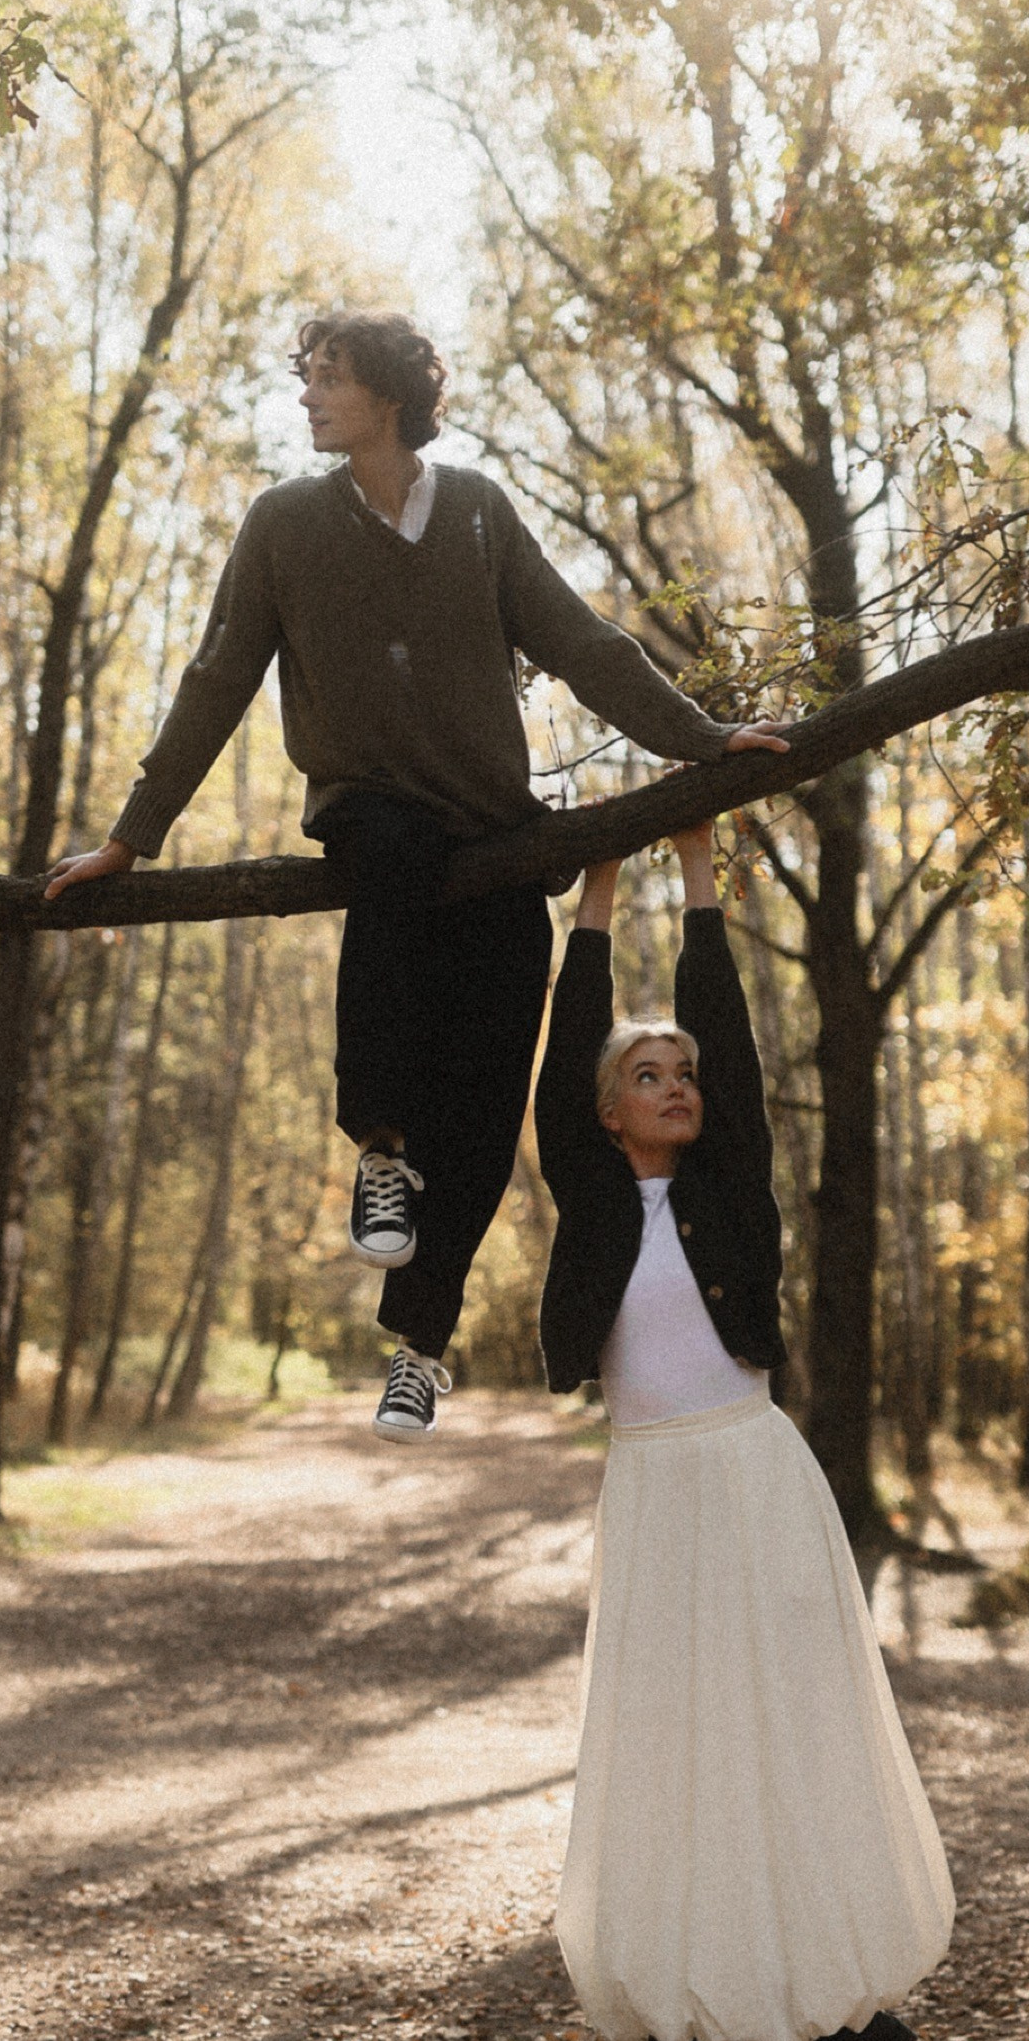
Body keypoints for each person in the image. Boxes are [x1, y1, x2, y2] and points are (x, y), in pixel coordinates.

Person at [47, 309, 786, 1439]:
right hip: (376, 819)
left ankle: (422, 1342)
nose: (307, 398)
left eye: (327, 379)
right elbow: (214, 681)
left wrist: (700, 740)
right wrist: (129, 839)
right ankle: (380, 1148)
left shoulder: (480, 513)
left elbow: (583, 642)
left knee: (489, 1107)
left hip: (496, 840)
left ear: (388, 393)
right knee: (386, 877)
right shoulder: (283, 524)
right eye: (306, 378)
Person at [533, 820, 955, 2041]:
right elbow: (557, 1070)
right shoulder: (594, 1200)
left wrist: (703, 879)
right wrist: (597, 888)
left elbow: (734, 1045)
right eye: (645, 1076)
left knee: (791, 1757)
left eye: (683, 1077)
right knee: (667, 1772)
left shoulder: (732, 1190)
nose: (675, 1087)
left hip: (760, 1490)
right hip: (654, 1504)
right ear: (607, 1113)